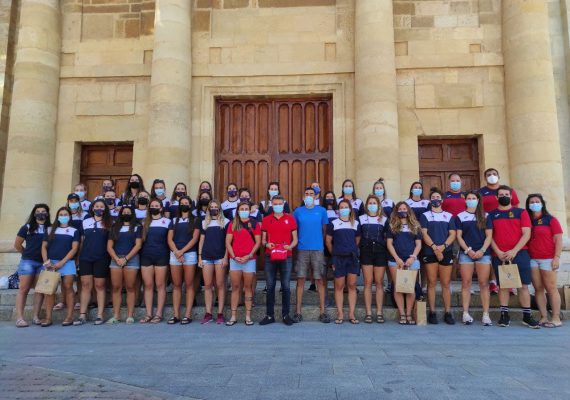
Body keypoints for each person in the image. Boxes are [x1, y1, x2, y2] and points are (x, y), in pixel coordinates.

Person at [487, 185, 539, 328]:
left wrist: (514, 251)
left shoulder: (521, 212)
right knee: (503, 286)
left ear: (511, 197)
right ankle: (504, 315)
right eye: (501, 194)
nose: (504, 196)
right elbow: (489, 236)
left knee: (523, 285)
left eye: (506, 194)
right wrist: (497, 251)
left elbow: (526, 234)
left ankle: (527, 316)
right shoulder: (491, 215)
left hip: (520, 253)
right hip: (500, 255)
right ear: (496, 198)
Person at [479, 168, 521, 295]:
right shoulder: (481, 192)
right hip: (488, 224)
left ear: (499, 176)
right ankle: (493, 281)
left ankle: (510, 282)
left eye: (494, 174)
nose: (492, 176)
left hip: (506, 224)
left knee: (507, 252)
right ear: (485, 178)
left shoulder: (508, 190)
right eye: (489, 175)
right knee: (492, 254)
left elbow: (516, 206)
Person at [260, 195, 298, 326]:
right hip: (270, 256)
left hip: (286, 256)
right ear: (271, 204)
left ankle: (286, 315)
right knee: (270, 286)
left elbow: (295, 239)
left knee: (286, 286)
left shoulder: (290, 219)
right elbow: (263, 239)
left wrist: (290, 247)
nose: (277, 206)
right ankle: (269, 315)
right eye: (275, 203)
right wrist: (266, 245)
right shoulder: (266, 220)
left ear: (283, 204)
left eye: (279, 203)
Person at [456, 191, 493, 326]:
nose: (471, 200)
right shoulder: (460, 216)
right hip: (467, 255)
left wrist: (482, 250)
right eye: (469, 198)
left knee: (484, 283)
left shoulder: (485, 216)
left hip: (483, 254)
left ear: (478, 200)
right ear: (465, 200)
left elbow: (489, 235)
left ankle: (486, 314)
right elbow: (459, 236)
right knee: (466, 283)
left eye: (473, 198)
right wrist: (468, 250)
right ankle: (465, 313)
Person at [293, 187, 330, 323]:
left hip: (317, 250)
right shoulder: (298, 211)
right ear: (304, 196)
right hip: (302, 249)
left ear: (315, 196)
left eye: (311, 194)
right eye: (307, 193)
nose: (309, 196)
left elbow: (324, 230)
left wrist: (319, 243)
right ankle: (298, 312)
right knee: (301, 279)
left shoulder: (322, 211)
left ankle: (323, 312)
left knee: (319, 280)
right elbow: (294, 230)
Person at [420, 188, 457, 325]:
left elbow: (452, 234)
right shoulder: (425, 215)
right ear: (430, 200)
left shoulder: (449, 216)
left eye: (438, 197)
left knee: (446, 284)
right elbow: (424, 233)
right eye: (433, 197)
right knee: (431, 283)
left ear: (442, 200)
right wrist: (435, 248)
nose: (436, 199)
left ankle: (448, 312)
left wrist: (443, 247)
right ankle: (432, 312)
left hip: (445, 252)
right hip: (430, 252)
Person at [526, 194, 563, 327]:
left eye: (537, 201)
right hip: (532, 259)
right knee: (538, 288)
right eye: (531, 202)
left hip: (548, 258)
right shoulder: (528, 220)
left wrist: (557, 257)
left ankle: (556, 318)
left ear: (542, 203)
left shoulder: (551, 219)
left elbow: (559, 239)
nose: (534, 204)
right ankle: (543, 317)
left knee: (551, 288)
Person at [41, 207, 80, 327]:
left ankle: (69, 317)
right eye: (61, 214)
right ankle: (48, 318)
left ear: (69, 216)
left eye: (65, 214)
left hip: (67, 263)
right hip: (50, 263)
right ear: (57, 216)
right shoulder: (49, 230)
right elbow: (43, 247)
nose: (63, 216)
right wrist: (47, 262)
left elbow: (74, 249)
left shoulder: (74, 230)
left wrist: (62, 263)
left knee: (68, 287)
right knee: (49, 290)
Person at [75, 199, 112, 326]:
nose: (99, 209)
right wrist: (78, 258)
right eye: (97, 206)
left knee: (100, 285)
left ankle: (100, 315)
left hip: (101, 258)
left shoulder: (109, 223)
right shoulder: (85, 222)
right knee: (85, 285)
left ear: (105, 209)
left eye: (102, 207)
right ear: (92, 208)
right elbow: (81, 241)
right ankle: (82, 314)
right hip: (86, 257)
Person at [14, 204, 51, 327]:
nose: (41, 213)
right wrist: (26, 254)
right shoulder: (27, 227)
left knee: (39, 290)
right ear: (34, 214)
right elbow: (17, 244)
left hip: (43, 263)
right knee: (23, 289)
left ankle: (35, 316)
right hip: (28, 262)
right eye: (38, 211)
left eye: (43, 211)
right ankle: (19, 318)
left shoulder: (50, 228)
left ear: (47, 213)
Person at [225, 202, 261, 326]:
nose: (244, 210)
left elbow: (258, 242)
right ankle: (233, 316)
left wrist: (249, 255)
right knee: (235, 287)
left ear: (250, 210)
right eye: (242, 209)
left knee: (248, 288)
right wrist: (234, 256)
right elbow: (228, 242)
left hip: (249, 260)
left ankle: (248, 316)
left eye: (246, 209)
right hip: (235, 260)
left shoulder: (254, 223)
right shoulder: (232, 224)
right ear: (238, 210)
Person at [386, 202, 422, 325]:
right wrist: (397, 258)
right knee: (398, 287)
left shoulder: (415, 226)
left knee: (410, 287)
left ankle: (408, 314)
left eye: (404, 209)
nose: (402, 211)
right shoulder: (392, 225)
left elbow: (418, 244)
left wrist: (413, 257)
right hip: (395, 260)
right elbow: (389, 244)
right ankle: (402, 314)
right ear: (396, 211)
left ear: (408, 211)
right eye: (400, 209)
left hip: (411, 260)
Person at [326, 199, 361, 324]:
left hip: (352, 258)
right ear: (338, 209)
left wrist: (350, 249)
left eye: (346, 207)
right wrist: (335, 253)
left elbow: (357, 240)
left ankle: (351, 313)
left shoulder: (356, 223)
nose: (344, 209)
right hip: (338, 258)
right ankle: (340, 313)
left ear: (350, 209)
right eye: (341, 207)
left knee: (352, 285)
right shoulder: (333, 223)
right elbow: (328, 241)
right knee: (339, 286)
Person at [167, 196, 200, 324]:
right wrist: (176, 251)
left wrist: (182, 251)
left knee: (189, 284)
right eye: (182, 203)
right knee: (176, 285)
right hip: (175, 254)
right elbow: (169, 238)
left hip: (189, 254)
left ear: (190, 205)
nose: (184, 205)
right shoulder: (174, 220)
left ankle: (187, 314)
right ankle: (176, 315)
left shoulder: (195, 220)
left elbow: (194, 239)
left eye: (187, 203)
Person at [107, 206, 142, 324]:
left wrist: (126, 259)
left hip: (131, 259)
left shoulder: (137, 227)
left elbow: (138, 245)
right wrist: (117, 259)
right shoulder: (115, 227)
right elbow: (109, 246)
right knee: (116, 287)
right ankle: (116, 316)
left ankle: (130, 315)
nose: (126, 214)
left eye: (129, 212)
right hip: (116, 260)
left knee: (130, 287)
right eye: (124, 212)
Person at [139, 199, 171, 324]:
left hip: (161, 255)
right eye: (152, 206)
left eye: (156, 206)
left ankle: (158, 314)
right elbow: (140, 240)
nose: (154, 207)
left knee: (160, 285)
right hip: (146, 255)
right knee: (148, 285)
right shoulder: (144, 222)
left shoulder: (167, 222)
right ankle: (148, 314)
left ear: (161, 208)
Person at [198, 200, 230, 324]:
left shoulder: (226, 222)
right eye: (211, 207)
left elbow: (228, 241)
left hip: (220, 257)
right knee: (207, 285)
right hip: (206, 257)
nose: (213, 209)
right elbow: (201, 241)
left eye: (216, 207)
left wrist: (226, 257)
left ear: (219, 209)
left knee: (220, 285)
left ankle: (220, 313)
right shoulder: (204, 223)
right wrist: (200, 257)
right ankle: (208, 313)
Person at [359, 195, 388, 323]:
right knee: (368, 282)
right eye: (370, 202)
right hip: (366, 252)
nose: (372, 204)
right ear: (366, 205)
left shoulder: (384, 219)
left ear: (378, 205)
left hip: (380, 252)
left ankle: (380, 312)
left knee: (379, 282)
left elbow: (387, 237)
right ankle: (369, 312)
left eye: (374, 203)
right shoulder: (361, 219)